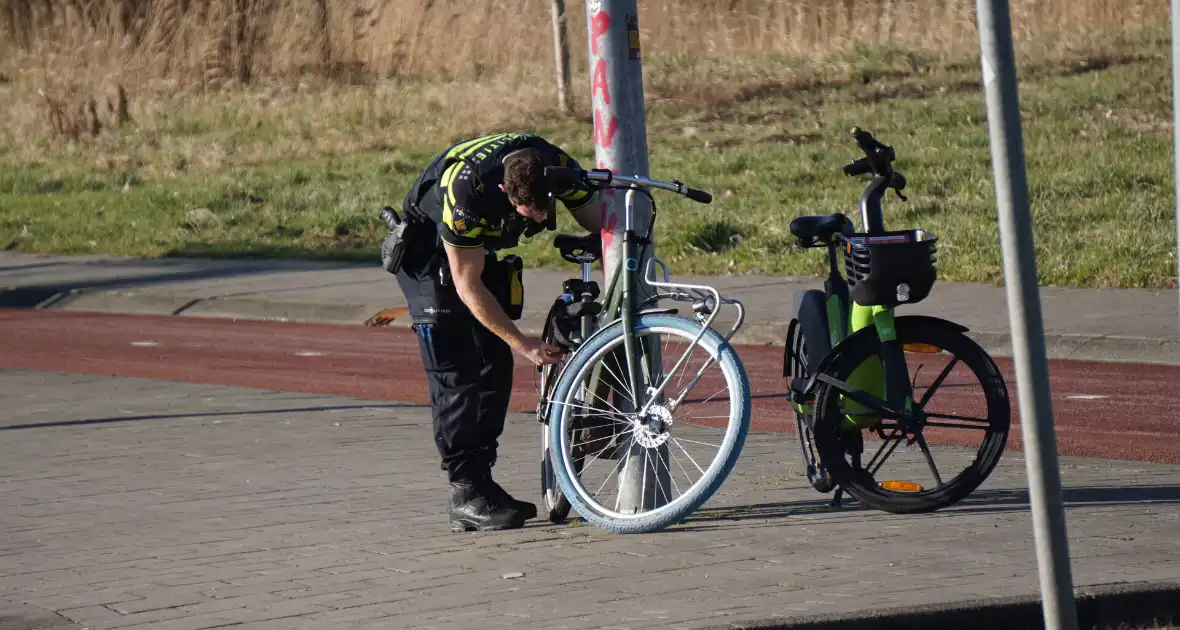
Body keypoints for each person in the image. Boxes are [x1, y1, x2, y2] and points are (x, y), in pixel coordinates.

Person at [381, 132, 603, 532]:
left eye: (543, 208)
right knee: (458, 370)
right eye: (526, 210)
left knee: (493, 363)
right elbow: (468, 284)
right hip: (430, 250)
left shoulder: (557, 164)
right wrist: (524, 344)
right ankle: (465, 493)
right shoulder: (466, 191)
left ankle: (483, 482)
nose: (536, 218)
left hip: (478, 245)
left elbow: (600, 221)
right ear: (504, 189)